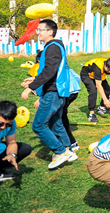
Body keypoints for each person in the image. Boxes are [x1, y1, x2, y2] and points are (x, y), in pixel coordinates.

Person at [21, 19, 77, 169]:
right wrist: (34, 78)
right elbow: (53, 71)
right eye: (38, 30)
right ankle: (69, 151)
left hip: (52, 92)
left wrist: (31, 87)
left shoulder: (52, 47)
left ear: (50, 32)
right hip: (56, 91)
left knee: (38, 125)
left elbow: (49, 71)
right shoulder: (54, 46)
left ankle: (60, 152)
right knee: (56, 123)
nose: (38, 33)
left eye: (41, 30)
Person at [81, 57, 110, 123]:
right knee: (93, 91)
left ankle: (101, 108)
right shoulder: (98, 67)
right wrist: (105, 100)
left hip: (99, 75)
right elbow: (98, 85)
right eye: (108, 69)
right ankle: (91, 114)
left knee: (107, 91)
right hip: (87, 75)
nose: (109, 71)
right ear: (105, 65)